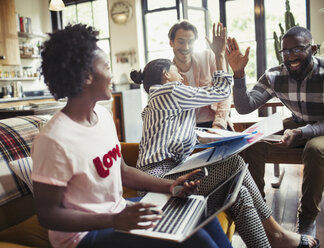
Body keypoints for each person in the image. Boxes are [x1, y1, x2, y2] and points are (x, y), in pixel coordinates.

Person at [31, 24, 233, 248]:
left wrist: (170, 186)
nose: (112, 74)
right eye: (107, 67)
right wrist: (115, 220)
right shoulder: (53, 140)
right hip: (84, 237)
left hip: (117, 213)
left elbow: (122, 171)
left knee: (199, 209)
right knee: (195, 238)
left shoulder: (103, 117)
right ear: (87, 77)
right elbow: (48, 215)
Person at [130, 58, 319, 248]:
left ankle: (270, 242)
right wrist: (219, 54)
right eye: (176, 71)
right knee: (234, 163)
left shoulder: (161, 102)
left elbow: (176, 139)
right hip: (157, 182)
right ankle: (278, 234)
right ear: (165, 75)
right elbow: (221, 92)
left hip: (173, 174)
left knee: (240, 193)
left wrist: (214, 136)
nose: (181, 75)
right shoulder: (168, 91)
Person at [226, 26, 324, 238]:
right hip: (298, 122)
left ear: (313, 48)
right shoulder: (275, 75)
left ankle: (306, 219)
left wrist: (301, 133)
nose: (290, 56)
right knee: (252, 138)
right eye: (285, 51)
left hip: (322, 129)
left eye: (297, 49)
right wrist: (239, 73)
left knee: (314, 149)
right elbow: (245, 106)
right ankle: (258, 211)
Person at [168, 20, 232, 130]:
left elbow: (225, 93)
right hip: (185, 130)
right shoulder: (168, 73)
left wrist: (218, 125)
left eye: (190, 42)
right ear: (171, 42)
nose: (186, 47)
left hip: (215, 123)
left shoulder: (208, 57)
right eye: (181, 42)